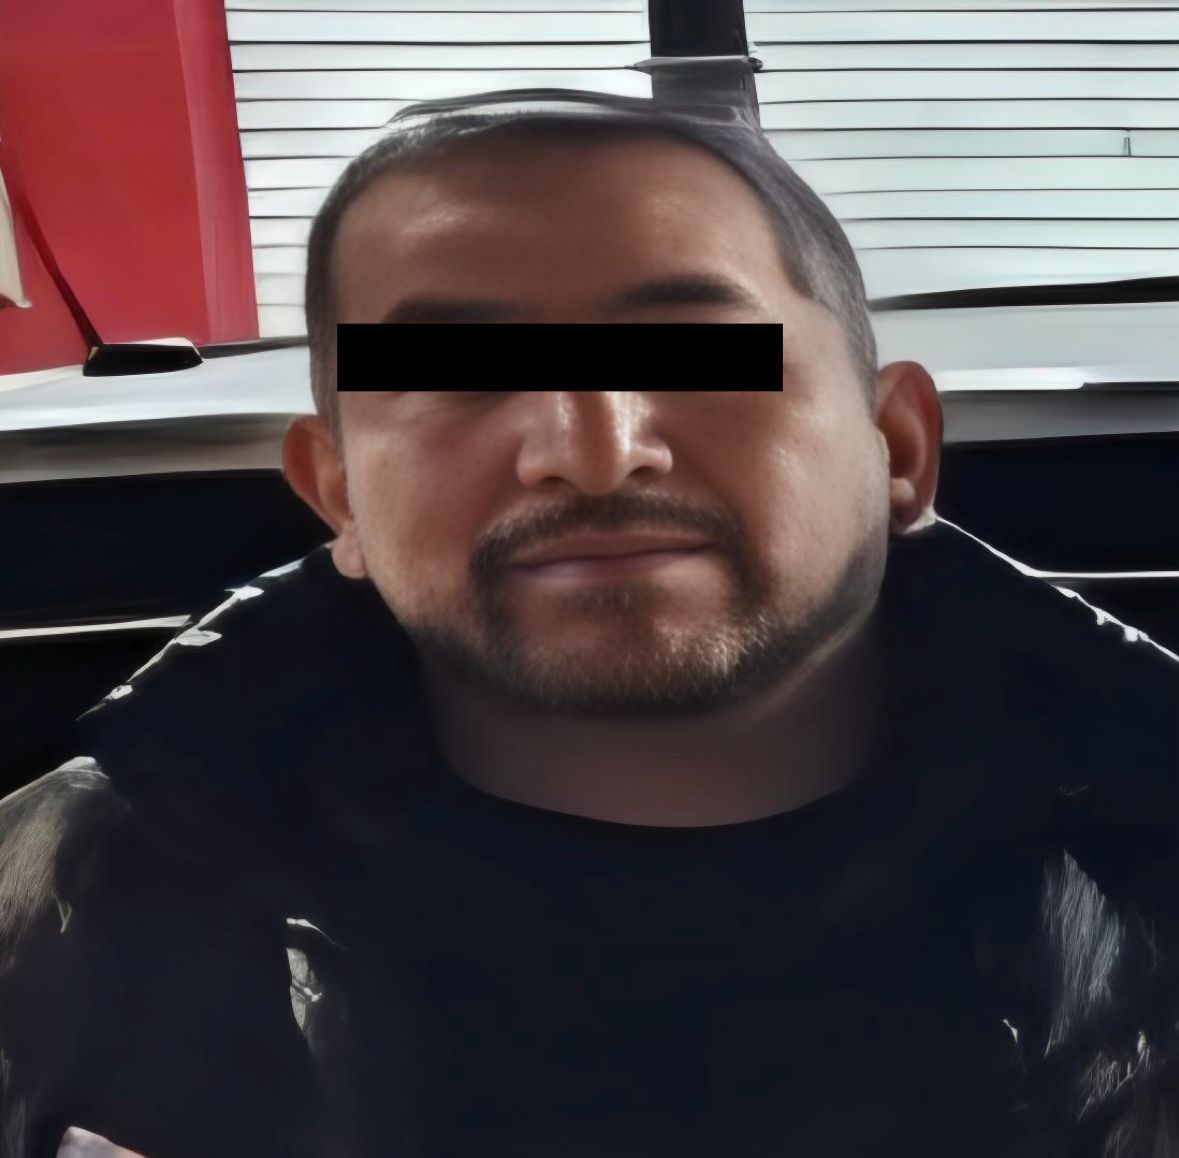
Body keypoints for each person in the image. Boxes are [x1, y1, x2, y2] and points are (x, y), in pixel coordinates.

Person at [2, 87, 1177, 1158]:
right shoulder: (66, 908)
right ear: (340, 494)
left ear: (899, 449)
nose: (592, 448)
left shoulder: (1147, 850)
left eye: (700, 355)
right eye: (457, 372)